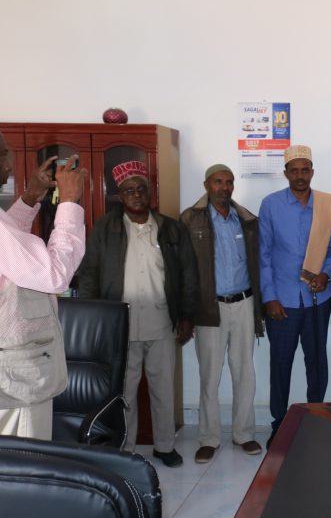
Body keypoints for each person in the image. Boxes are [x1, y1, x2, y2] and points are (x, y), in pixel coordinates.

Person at [78, 160, 198, 467]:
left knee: (163, 388)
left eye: (141, 189)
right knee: (124, 393)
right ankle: (126, 449)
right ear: (120, 195)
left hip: (162, 321)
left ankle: (165, 446)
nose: (136, 194)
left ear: (150, 192)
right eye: (129, 190)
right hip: (120, 326)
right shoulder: (105, 228)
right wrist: (92, 319)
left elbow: (188, 274)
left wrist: (187, 316)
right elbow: (90, 273)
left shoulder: (171, 228)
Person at [0, 135, 86, 440]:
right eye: (3, 155)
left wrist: (30, 198)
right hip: (16, 382)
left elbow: (11, 252)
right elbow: (55, 275)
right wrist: (69, 203)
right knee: (23, 461)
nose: (9, 166)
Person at [180, 164, 263, 463]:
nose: (224, 187)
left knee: (245, 373)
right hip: (209, 307)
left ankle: (244, 433)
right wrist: (186, 312)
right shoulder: (190, 219)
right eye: (218, 182)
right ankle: (209, 438)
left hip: (244, 303)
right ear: (206, 185)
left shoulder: (246, 219)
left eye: (229, 182)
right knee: (210, 375)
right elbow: (183, 269)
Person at [259, 145, 331, 442]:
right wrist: (269, 297)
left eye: (305, 170)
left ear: (312, 172)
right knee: (280, 364)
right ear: (286, 173)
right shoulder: (270, 205)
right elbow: (263, 254)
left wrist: (326, 273)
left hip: (318, 300)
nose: (300, 175)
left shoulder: (328, 205)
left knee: (317, 362)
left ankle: (315, 419)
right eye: (294, 171)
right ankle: (279, 423)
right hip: (282, 301)